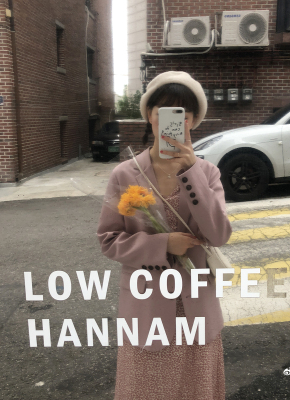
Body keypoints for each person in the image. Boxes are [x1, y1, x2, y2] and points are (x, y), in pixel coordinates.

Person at [97, 71, 232, 400]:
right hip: (146, 307)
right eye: (165, 112)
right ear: (150, 115)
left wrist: (192, 173)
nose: (175, 122)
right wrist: (163, 244)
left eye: (183, 114)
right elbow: (109, 239)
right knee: (146, 388)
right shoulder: (125, 173)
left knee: (195, 389)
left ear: (193, 120)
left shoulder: (207, 173)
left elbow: (218, 234)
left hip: (197, 306)